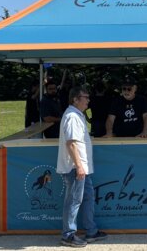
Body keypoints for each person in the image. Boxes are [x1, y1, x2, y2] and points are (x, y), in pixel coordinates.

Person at [57, 86, 107, 247]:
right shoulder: (72, 116)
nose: (88, 100)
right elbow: (71, 143)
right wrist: (78, 166)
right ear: (75, 99)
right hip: (75, 168)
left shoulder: (77, 115)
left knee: (86, 198)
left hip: (82, 168)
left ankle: (91, 231)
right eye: (85, 97)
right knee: (73, 200)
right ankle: (68, 235)